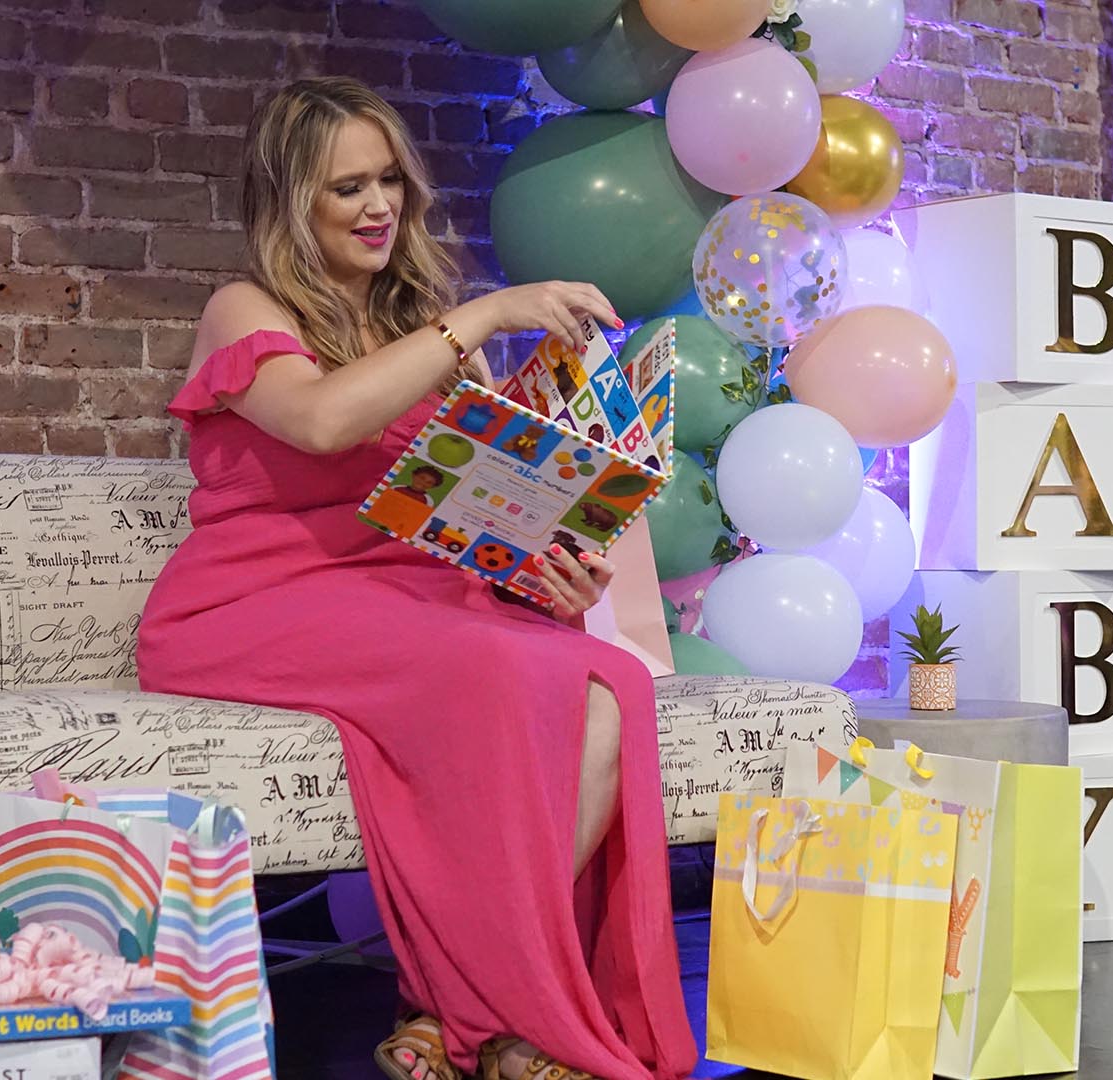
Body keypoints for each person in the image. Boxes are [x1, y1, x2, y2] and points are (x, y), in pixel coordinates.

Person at [135, 77, 697, 1080]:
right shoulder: (245, 309)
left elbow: (461, 518)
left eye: (389, 180)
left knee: (611, 683)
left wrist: (546, 576)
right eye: (347, 187)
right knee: (497, 669)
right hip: (255, 601)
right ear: (292, 202)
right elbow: (320, 423)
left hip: (403, 596)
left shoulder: (421, 330)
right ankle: (501, 1022)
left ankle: (448, 1012)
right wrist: (486, 314)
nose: (378, 206)